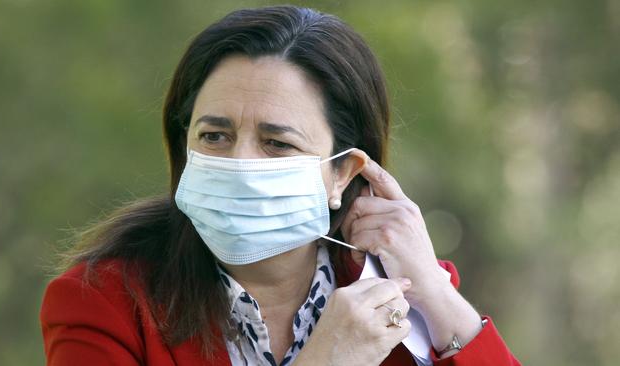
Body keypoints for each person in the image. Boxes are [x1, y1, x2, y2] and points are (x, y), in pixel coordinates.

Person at [40, 5, 520, 366]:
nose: (240, 163)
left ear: (342, 173)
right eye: (215, 136)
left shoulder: (399, 292)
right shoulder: (103, 303)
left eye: (276, 143)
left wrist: (438, 296)